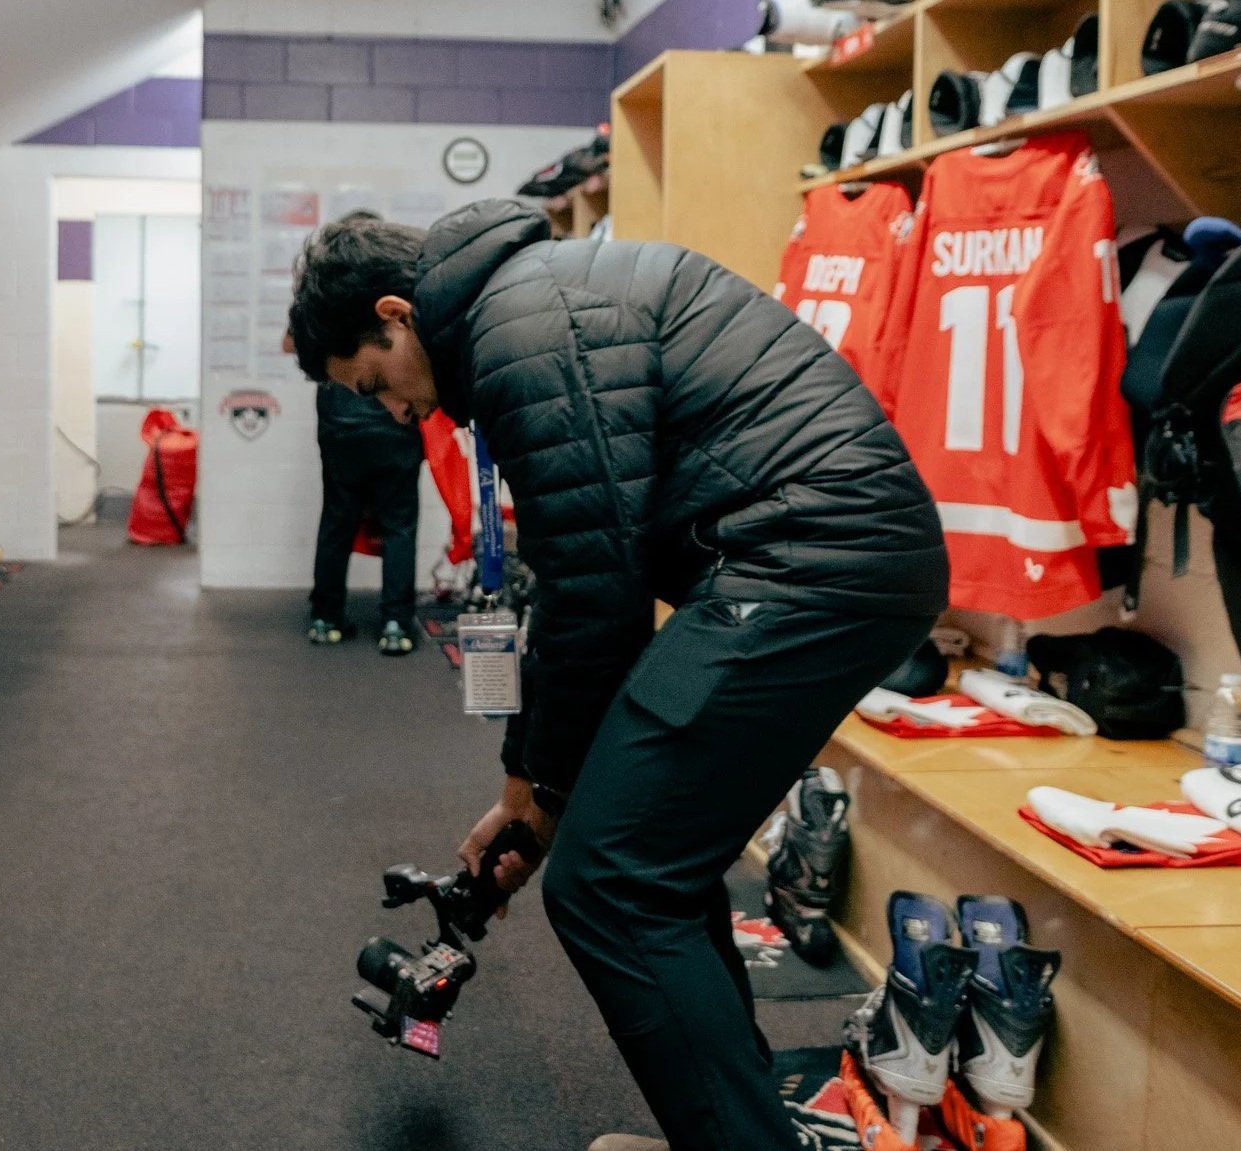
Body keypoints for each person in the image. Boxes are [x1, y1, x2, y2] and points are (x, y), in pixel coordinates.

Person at [288, 202, 948, 1151]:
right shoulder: (521, 306)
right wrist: (537, 789)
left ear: (396, 316)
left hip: (811, 561)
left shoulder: (520, 328)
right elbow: (587, 582)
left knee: (611, 879)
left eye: (375, 380)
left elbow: (593, 595)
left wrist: (534, 793)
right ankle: (740, 1132)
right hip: (805, 559)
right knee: (651, 868)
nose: (397, 410)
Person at [308, 377, 423, 655]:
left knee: (337, 524)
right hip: (395, 425)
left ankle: (325, 619)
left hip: (340, 426)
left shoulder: (323, 329)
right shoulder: (405, 329)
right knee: (399, 527)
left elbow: (291, 344)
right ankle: (395, 625)